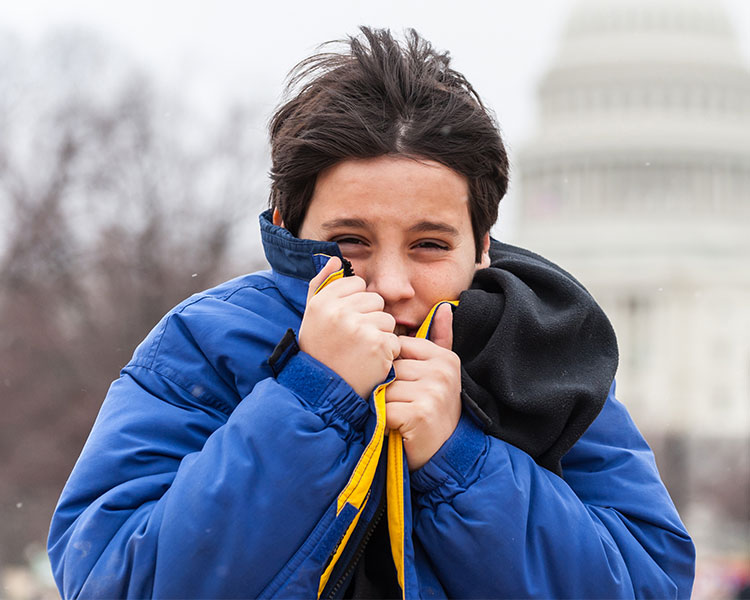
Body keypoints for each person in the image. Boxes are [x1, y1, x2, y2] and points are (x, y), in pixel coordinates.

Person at [47, 27, 695, 599]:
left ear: (482, 245)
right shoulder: (204, 346)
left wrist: (456, 459)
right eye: (351, 240)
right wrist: (311, 400)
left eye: (430, 244)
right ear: (287, 228)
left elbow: (648, 584)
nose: (389, 283)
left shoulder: (548, 355)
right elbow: (112, 579)